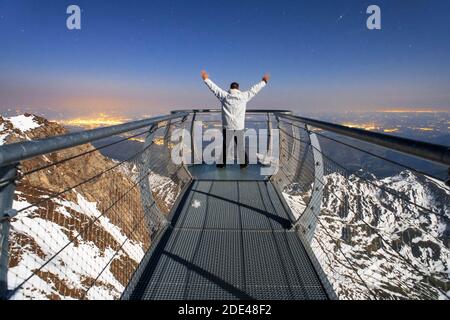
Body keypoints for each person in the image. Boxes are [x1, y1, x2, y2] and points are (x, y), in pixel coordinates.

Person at [201, 70, 270, 168]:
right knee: (240, 146)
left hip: (227, 126)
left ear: (230, 88)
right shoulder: (243, 96)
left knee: (225, 146)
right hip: (239, 127)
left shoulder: (224, 96)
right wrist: (264, 82)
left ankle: (221, 164)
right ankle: (243, 164)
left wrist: (206, 79)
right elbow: (254, 90)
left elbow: (214, 88)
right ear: (238, 88)